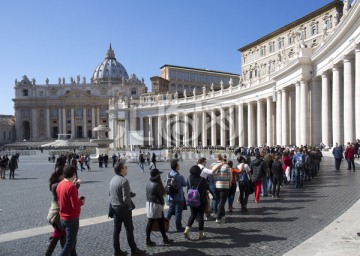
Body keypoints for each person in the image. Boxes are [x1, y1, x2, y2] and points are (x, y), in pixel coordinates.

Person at [109, 161, 146, 256]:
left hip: (115, 207)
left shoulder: (113, 179)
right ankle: (134, 249)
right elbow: (125, 198)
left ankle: (117, 250)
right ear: (122, 169)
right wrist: (129, 207)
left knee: (116, 231)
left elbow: (112, 194)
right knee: (129, 229)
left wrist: (130, 194)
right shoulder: (124, 181)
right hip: (123, 209)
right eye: (125, 167)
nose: (127, 169)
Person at [56, 165, 85, 256]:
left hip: (62, 217)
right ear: (73, 174)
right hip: (71, 218)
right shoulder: (71, 187)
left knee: (72, 242)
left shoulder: (59, 184)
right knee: (70, 243)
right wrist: (81, 201)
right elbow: (75, 205)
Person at [145, 168, 174, 246]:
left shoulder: (148, 183)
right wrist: (162, 204)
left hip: (149, 204)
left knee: (155, 222)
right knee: (152, 222)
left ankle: (164, 238)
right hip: (156, 205)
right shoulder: (157, 185)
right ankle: (151, 240)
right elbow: (160, 197)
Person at [184, 165, 209, 240]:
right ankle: (201, 234)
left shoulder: (188, 179)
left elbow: (188, 188)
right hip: (201, 200)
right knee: (200, 216)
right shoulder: (202, 179)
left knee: (193, 214)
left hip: (191, 199)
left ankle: (187, 229)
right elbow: (206, 189)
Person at [46, 167, 66, 256]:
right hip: (56, 215)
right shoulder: (57, 185)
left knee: (62, 235)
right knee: (58, 235)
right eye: (64, 174)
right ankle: (48, 253)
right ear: (60, 176)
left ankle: (65, 252)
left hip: (55, 214)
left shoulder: (55, 184)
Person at [165, 159, 187, 232]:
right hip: (178, 197)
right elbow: (184, 184)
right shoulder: (179, 176)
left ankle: (164, 225)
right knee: (178, 212)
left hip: (170, 196)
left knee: (170, 211)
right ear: (176, 167)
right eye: (178, 165)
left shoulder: (168, 174)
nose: (179, 165)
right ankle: (178, 227)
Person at [212, 154, 231, 223]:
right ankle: (218, 217)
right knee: (222, 202)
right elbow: (230, 176)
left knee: (220, 201)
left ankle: (223, 216)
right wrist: (230, 183)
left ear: (217, 158)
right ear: (222, 158)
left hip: (216, 185)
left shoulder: (214, 166)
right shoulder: (226, 166)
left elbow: (212, 175)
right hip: (225, 185)